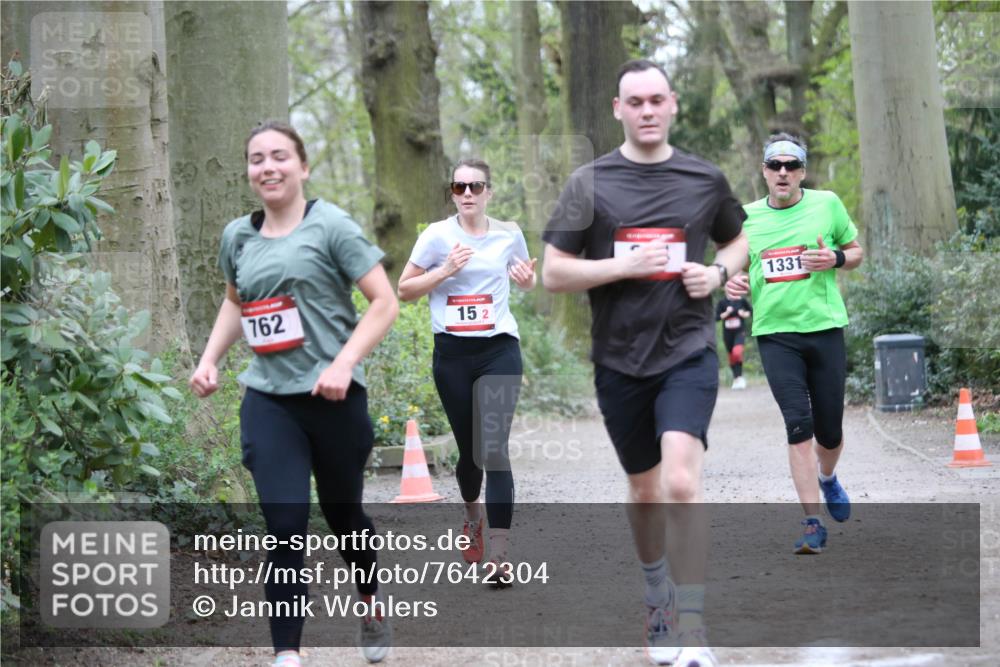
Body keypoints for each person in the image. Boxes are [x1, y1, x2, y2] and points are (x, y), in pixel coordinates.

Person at [542, 59, 748, 666]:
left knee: (681, 481)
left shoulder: (704, 178)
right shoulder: (589, 183)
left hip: (687, 349)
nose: (648, 111)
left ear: (673, 103)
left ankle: (693, 623)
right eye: (636, 102)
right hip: (618, 359)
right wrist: (620, 266)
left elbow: (738, 240)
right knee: (643, 488)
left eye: (657, 99)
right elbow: (553, 272)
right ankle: (657, 593)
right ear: (618, 110)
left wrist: (717, 272)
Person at [189, 121, 399, 666]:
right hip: (269, 400)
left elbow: (384, 303)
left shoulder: (332, 226)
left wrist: (344, 364)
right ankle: (288, 654)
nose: (268, 167)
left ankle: (370, 602)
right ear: (248, 172)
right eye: (257, 158)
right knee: (284, 528)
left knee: (344, 517)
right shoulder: (238, 236)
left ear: (302, 167)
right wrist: (209, 360)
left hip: (334, 400)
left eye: (280, 156)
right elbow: (236, 302)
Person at [397, 158, 536, 583]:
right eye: (460, 187)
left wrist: (527, 280)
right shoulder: (436, 236)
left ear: (489, 191)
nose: (468, 194)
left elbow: (526, 277)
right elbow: (404, 289)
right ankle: (472, 516)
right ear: (452, 193)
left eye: (476, 186)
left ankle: (500, 555)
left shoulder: (509, 234)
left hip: (499, 349)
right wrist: (445, 271)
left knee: (494, 449)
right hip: (452, 355)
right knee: (470, 453)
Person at [725, 132, 863, 555]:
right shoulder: (745, 218)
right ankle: (812, 523)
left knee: (830, 432)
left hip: (825, 328)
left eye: (791, 165)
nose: (782, 172)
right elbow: (732, 265)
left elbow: (856, 251)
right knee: (798, 426)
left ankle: (827, 477)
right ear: (764, 172)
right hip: (776, 334)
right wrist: (732, 281)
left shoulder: (827, 204)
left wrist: (835, 258)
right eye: (775, 165)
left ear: (803, 171)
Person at [714, 296, 752, 389]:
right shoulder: (722, 302)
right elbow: (717, 318)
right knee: (731, 356)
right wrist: (727, 312)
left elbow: (751, 312)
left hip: (739, 332)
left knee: (737, 352)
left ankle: (739, 378)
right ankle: (737, 378)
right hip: (727, 334)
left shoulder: (741, 300)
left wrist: (743, 314)